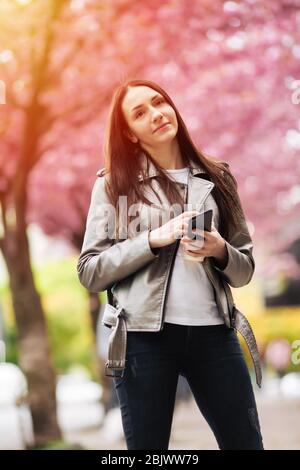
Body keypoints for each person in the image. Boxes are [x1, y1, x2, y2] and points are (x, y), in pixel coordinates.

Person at [77, 78, 264, 450]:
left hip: (215, 334)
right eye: (140, 113)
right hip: (143, 340)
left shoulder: (218, 177)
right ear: (130, 134)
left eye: (159, 102)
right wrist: (151, 240)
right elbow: (90, 271)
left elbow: (245, 269)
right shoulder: (116, 185)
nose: (156, 114)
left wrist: (219, 249)